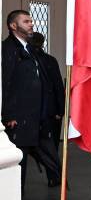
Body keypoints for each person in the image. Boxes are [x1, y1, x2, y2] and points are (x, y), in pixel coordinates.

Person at [1, 10, 60, 200]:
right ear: (13, 26)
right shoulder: (8, 49)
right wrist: (8, 115)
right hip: (19, 119)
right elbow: (6, 83)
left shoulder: (29, 50)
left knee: (29, 159)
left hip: (34, 118)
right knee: (21, 162)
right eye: (26, 21)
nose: (31, 24)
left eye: (31, 21)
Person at [29, 32, 64, 187]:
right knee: (52, 146)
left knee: (40, 145)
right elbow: (58, 86)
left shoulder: (29, 60)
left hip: (37, 111)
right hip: (50, 111)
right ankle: (53, 176)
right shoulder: (49, 60)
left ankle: (53, 175)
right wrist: (60, 110)